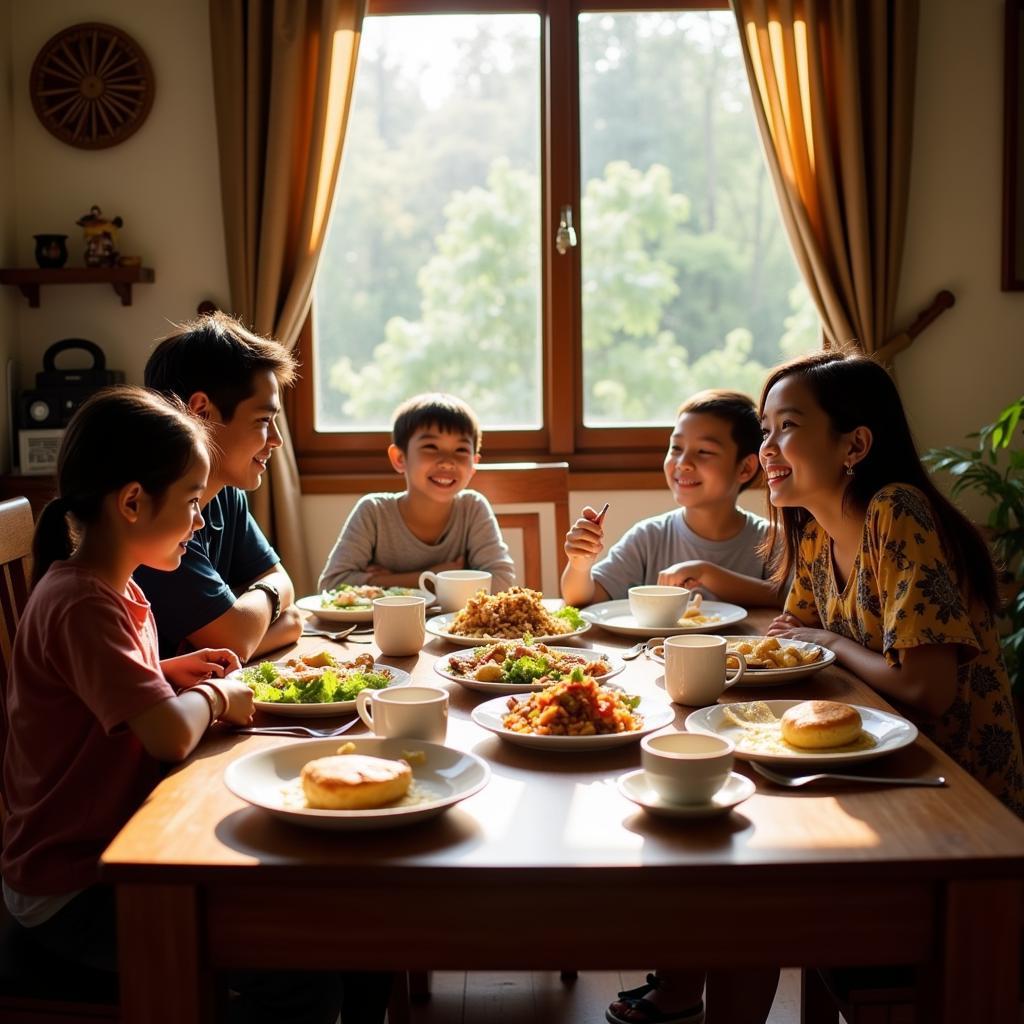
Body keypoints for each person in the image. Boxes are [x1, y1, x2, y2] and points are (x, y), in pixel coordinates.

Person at [0, 387, 391, 1024]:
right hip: (73, 888)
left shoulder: (112, 588)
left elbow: (97, 691)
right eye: (189, 502)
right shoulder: (84, 602)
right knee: (311, 970)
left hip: (121, 846)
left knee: (345, 923)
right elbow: (165, 737)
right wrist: (212, 694)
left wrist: (161, 672)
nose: (200, 521)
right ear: (132, 502)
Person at [760, 350, 1024, 814]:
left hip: (952, 787)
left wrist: (828, 641)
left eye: (788, 426)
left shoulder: (896, 511)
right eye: (766, 430)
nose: (767, 447)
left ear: (855, 445)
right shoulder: (816, 530)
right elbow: (792, 641)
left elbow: (928, 689)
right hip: (872, 760)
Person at [135, 312, 303, 662]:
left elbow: (285, 601)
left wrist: (253, 610)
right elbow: (239, 638)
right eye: (263, 420)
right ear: (200, 412)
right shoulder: (154, 514)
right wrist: (266, 609)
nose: (277, 440)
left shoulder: (225, 492)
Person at [562, 390, 783, 609]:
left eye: (704, 451)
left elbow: (793, 599)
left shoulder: (772, 539)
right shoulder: (648, 538)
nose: (683, 462)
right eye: (676, 448)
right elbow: (583, 599)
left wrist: (707, 573)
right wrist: (580, 565)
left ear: (745, 468)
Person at [318, 392, 516, 591]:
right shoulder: (374, 512)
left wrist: (385, 581)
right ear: (400, 458)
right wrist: (433, 575)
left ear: (474, 463)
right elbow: (331, 585)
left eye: (461, 450)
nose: (447, 461)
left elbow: (502, 581)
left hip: (450, 622)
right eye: (431, 447)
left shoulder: (472, 508)